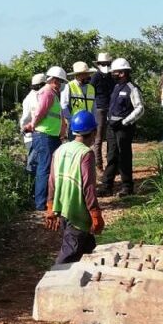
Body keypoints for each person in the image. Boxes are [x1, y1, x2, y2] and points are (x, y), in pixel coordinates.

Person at [45, 110, 105, 264]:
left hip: (63, 209)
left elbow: (51, 180)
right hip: (77, 213)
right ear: (93, 132)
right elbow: (88, 187)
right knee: (68, 256)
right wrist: (95, 213)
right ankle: (55, 283)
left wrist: (51, 205)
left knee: (87, 248)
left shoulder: (60, 150)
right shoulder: (86, 154)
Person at [98, 58, 145, 196]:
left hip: (124, 128)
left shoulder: (132, 88)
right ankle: (107, 186)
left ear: (123, 73)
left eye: (115, 72)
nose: (113, 74)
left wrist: (125, 122)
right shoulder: (116, 87)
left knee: (124, 156)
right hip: (112, 127)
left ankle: (127, 187)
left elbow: (140, 108)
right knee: (111, 156)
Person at [24, 66, 68, 211]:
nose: (60, 85)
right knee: (44, 168)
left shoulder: (52, 93)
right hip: (45, 135)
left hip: (50, 135)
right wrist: (33, 125)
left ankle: (46, 200)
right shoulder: (48, 93)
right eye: (59, 81)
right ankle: (41, 203)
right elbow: (40, 111)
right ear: (53, 80)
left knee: (47, 168)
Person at [90, 52, 115, 171]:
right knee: (98, 138)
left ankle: (111, 165)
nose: (105, 65)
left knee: (111, 137)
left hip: (111, 109)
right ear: (99, 64)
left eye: (107, 63)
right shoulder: (95, 77)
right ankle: (98, 165)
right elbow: (91, 92)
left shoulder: (111, 76)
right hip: (100, 109)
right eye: (103, 63)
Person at [61, 61, 97, 141]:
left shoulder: (91, 88)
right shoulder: (69, 86)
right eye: (85, 74)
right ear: (77, 75)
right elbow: (63, 105)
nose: (88, 76)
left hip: (88, 124)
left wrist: (95, 122)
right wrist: (71, 120)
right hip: (75, 125)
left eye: (88, 74)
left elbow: (94, 107)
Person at [19, 73, 46, 176]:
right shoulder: (32, 98)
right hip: (32, 137)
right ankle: (31, 189)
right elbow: (25, 119)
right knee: (33, 165)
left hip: (36, 136)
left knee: (38, 164)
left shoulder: (36, 96)